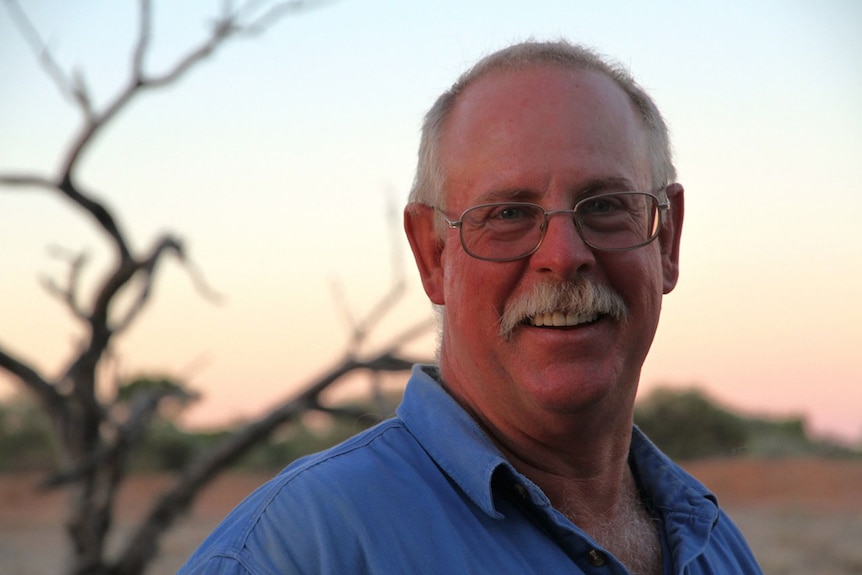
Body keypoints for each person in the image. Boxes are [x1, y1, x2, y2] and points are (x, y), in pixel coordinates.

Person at [179, 40, 762, 574]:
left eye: (606, 204)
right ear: (432, 255)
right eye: (507, 214)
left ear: (667, 240)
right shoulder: (298, 552)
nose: (563, 255)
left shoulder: (716, 547)